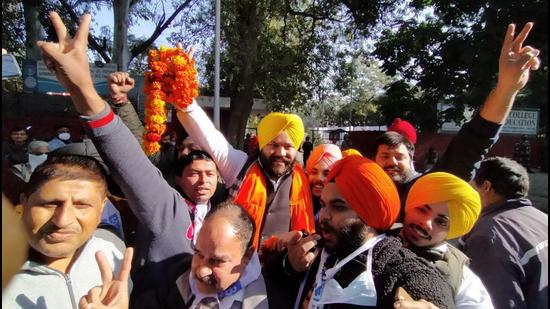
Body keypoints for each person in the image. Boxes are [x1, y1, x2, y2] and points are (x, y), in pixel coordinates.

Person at [33, 12, 221, 307]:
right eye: (195, 173)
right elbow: (131, 157)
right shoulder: (168, 212)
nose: (63, 217)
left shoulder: (227, 213)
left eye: (211, 174)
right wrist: (83, 90)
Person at [371, 22, 541, 221]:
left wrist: (507, 88)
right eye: (385, 155)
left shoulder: (428, 188)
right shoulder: (362, 194)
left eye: (398, 156)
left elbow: (474, 141)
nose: (391, 161)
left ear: (412, 158)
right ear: (373, 159)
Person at [265, 156, 454, 308]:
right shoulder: (314, 249)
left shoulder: (394, 264)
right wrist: (289, 265)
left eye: (338, 207)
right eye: (323, 205)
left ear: (368, 214)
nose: (324, 216)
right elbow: (269, 280)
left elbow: (427, 287)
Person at [176, 92, 315, 249]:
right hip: (240, 265)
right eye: (274, 145)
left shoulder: (304, 179)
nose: (280, 153)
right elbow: (209, 136)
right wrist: (183, 98)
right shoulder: (241, 166)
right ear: (262, 144)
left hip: (285, 266)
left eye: (288, 147)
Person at [1, 154, 125, 308]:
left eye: (81, 205)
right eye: (50, 204)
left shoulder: (114, 251)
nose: (62, 220)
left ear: (101, 209)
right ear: (24, 202)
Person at [460, 156, 548, 308]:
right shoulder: (542, 218)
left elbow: (498, 302)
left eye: (471, 186)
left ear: (486, 187)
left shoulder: (488, 237)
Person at [400, 172, 493, 308]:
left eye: (441, 222)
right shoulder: (374, 238)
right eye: (422, 210)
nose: (426, 223)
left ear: (453, 229)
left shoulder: (461, 276)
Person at [305, 144, 342, 216]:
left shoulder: (341, 208)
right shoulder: (296, 199)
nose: (319, 178)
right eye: (314, 172)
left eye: (326, 174)